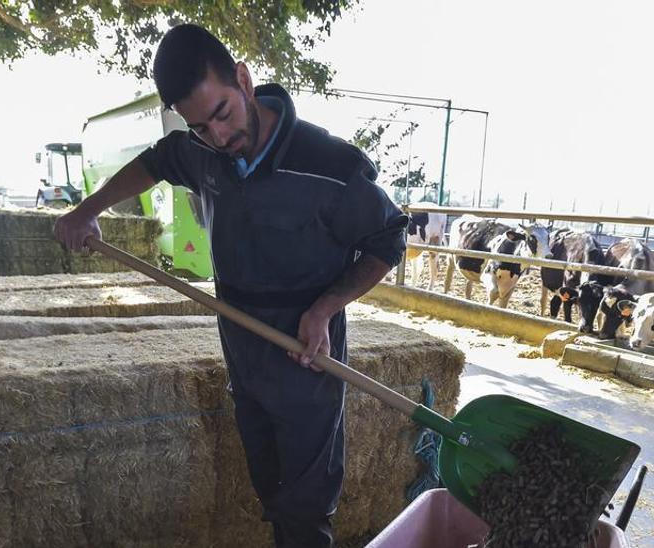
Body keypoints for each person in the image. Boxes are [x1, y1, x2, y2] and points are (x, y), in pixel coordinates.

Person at [53, 24, 408, 548]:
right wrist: (88, 210)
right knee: (268, 484)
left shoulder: (329, 165)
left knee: (307, 505)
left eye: (222, 113)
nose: (218, 136)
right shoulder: (203, 152)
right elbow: (157, 161)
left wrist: (326, 306)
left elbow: (388, 239)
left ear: (243, 79)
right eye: (199, 126)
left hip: (305, 353)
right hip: (242, 350)